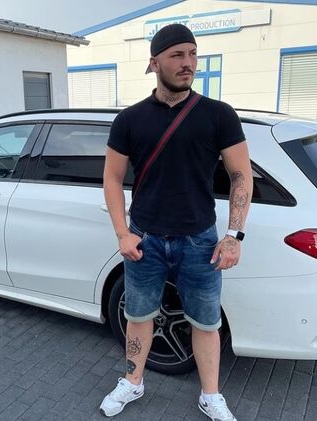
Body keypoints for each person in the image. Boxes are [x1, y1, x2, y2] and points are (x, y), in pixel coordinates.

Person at [100, 23, 253, 420]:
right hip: (145, 240)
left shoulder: (218, 115)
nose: (188, 63)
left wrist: (233, 235)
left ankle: (210, 395)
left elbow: (241, 175)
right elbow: (112, 178)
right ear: (154, 63)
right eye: (177, 55)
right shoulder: (130, 120)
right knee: (138, 317)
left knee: (206, 322)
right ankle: (133, 381)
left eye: (193, 54)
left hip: (200, 241)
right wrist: (122, 233)